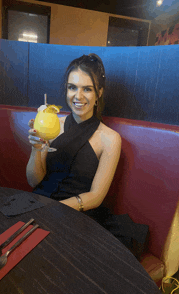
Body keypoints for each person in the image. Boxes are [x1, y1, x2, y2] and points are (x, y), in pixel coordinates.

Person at [26, 54, 149, 260]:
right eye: (72, 87)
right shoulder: (52, 125)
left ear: (99, 93)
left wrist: (53, 210)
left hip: (78, 216)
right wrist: (35, 148)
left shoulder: (110, 139)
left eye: (87, 89)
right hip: (41, 205)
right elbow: (34, 181)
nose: (78, 96)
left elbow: (96, 196)